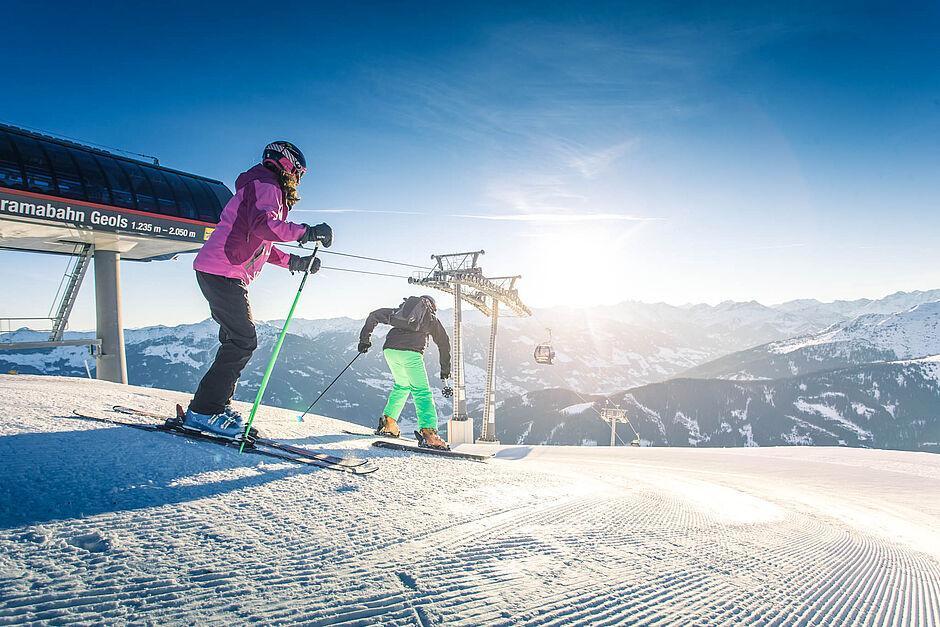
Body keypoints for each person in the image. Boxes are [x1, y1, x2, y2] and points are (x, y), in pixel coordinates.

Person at [182, 141, 333, 438]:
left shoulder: (262, 186)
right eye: (299, 173)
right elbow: (266, 227)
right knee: (243, 340)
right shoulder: (267, 185)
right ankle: (204, 411)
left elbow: (262, 243)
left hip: (222, 270)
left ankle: (214, 406)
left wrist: (295, 262)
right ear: (288, 165)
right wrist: (307, 232)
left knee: (235, 339)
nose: (298, 179)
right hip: (222, 271)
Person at [358, 296, 452, 450]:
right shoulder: (430, 318)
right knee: (421, 391)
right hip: (411, 353)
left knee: (402, 385)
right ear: (432, 307)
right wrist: (445, 369)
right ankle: (429, 434)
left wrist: (364, 340)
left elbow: (374, 315)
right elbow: (444, 343)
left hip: (390, 350)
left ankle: (389, 423)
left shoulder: (400, 313)